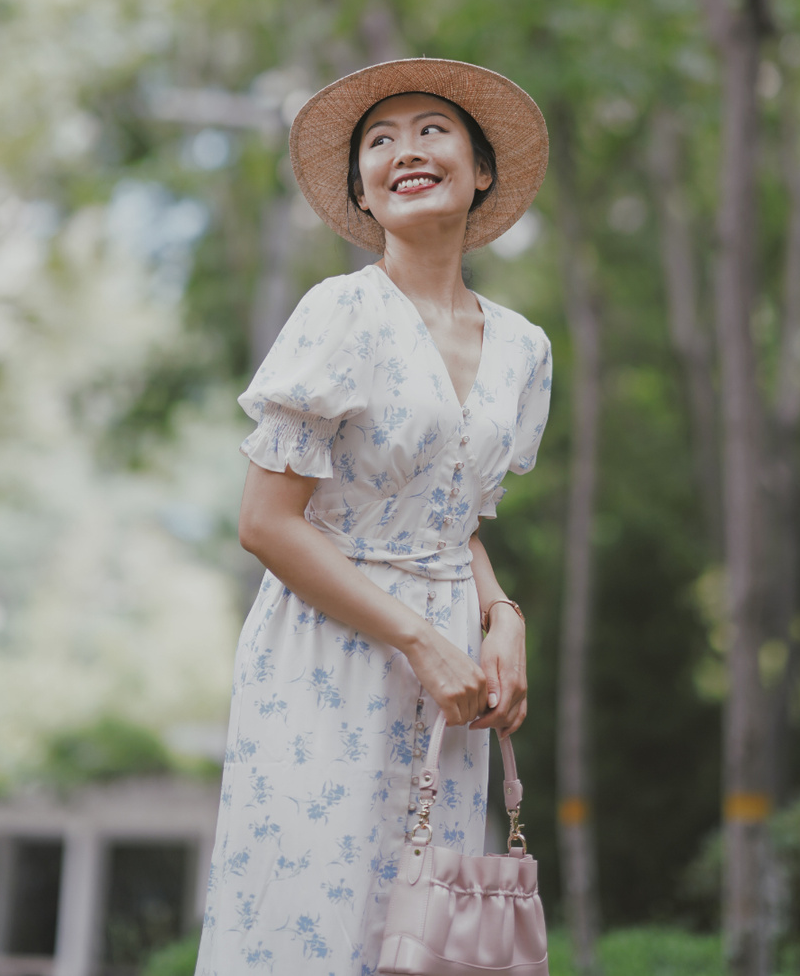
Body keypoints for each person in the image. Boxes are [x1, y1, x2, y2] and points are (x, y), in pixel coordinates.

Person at [196, 57, 552, 976]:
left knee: (419, 933)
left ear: (482, 169)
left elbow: (456, 517)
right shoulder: (340, 312)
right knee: (310, 925)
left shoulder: (523, 347)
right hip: (327, 655)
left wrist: (500, 616)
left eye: (433, 130)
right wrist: (417, 640)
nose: (406, 151)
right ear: (362, 190)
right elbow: (266, 523)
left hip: (450, 678)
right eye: (380, 141)